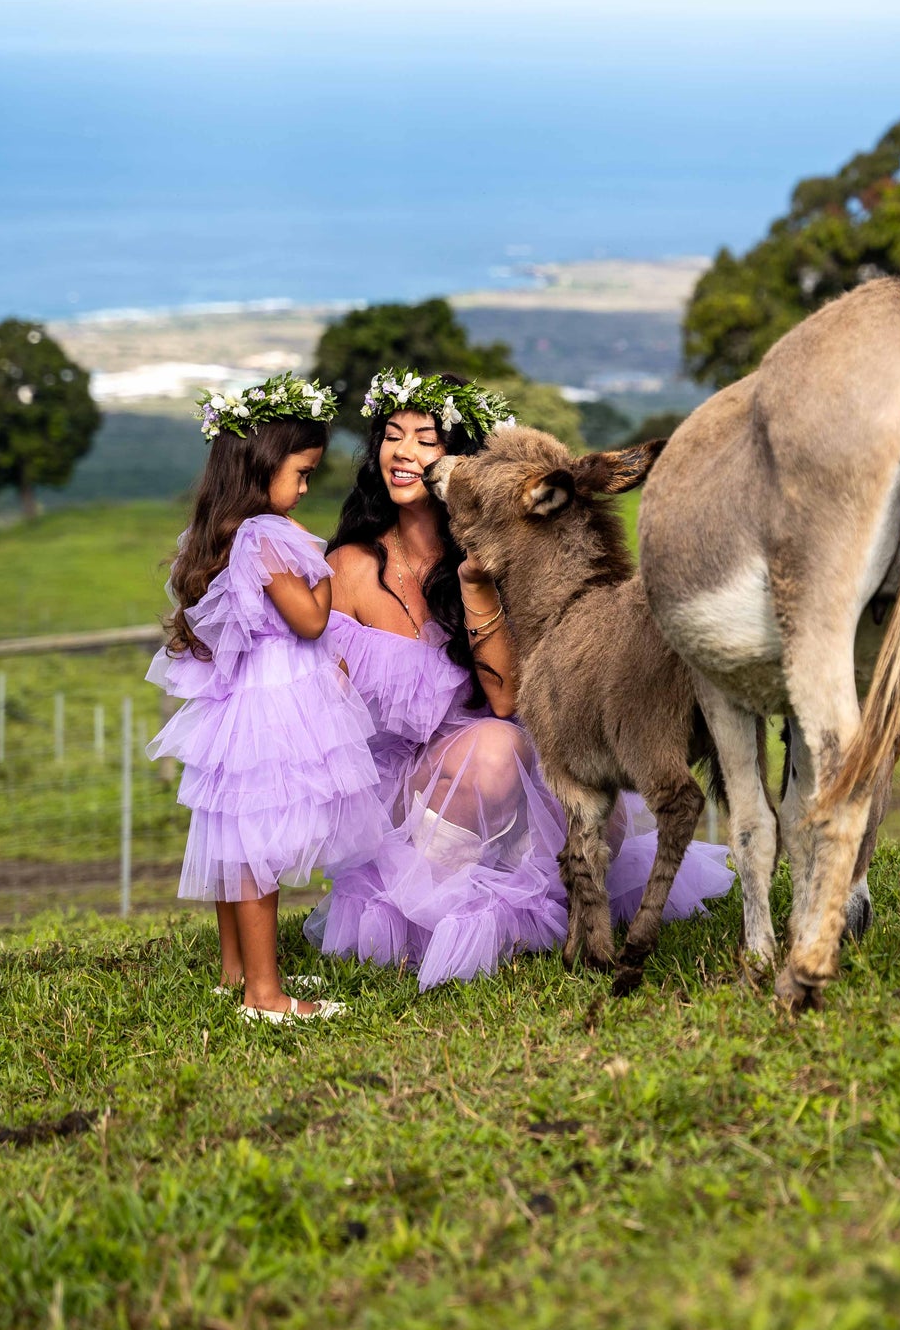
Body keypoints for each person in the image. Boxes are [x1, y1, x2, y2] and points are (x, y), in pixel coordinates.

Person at [304, 369, 733, 988]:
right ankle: (423, 912)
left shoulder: (502, 554)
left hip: (495, 751)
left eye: (427, 439)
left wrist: (476, 586)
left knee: (585, 798)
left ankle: (529, 890)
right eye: (392, 436)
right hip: (405, 780)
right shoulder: (349, 565)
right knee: (499, 749)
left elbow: (505, 698)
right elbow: (326, 699)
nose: (405, 453)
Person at [148, 373, 391, 1023]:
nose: (306, 488)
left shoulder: (216, 531)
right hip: (277, 706)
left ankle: (238, 972)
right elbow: (309, 621)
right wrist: (330, 578)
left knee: (235, 842)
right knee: (260, 850)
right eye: (302, 474)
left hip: (241, 705)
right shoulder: (265, 534)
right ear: (262, 468)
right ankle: (266, 995)